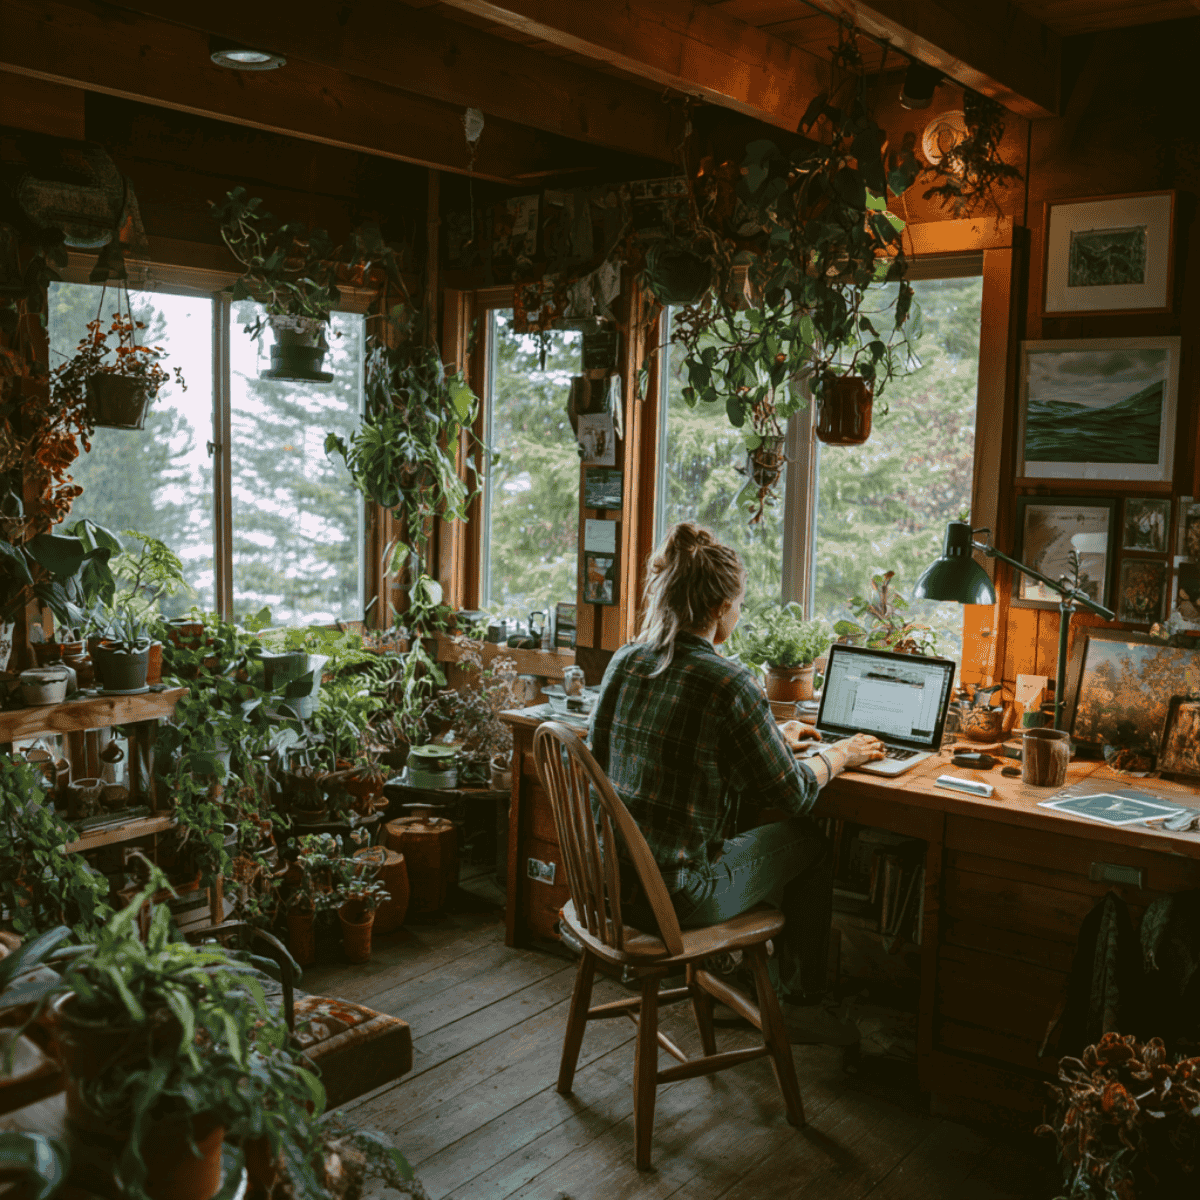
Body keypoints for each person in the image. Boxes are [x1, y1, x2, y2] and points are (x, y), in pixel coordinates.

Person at [588, 522, 885, 1043]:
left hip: (608, 887)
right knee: (811, 842)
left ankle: (741, 971)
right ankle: (801, 998)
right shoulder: (729, 682)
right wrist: (839, 754)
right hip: (675, 899)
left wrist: (768, 733)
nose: (740, 612)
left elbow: (607, 755)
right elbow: (792, 793)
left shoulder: (626, 660)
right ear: (722, 607)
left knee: (748, 823)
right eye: (739, 603)